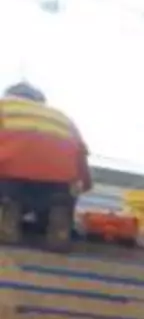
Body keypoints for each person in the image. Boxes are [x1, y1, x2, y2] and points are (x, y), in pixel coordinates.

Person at [0, 82, 90, 249]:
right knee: (60, 197)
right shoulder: (62, 117)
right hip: (59, 186)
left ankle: (8, 218)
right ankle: (59, 227)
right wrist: (84, 185)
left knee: (10, 191)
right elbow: (81, 155)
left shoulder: (4, 106)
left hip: (10, 181)